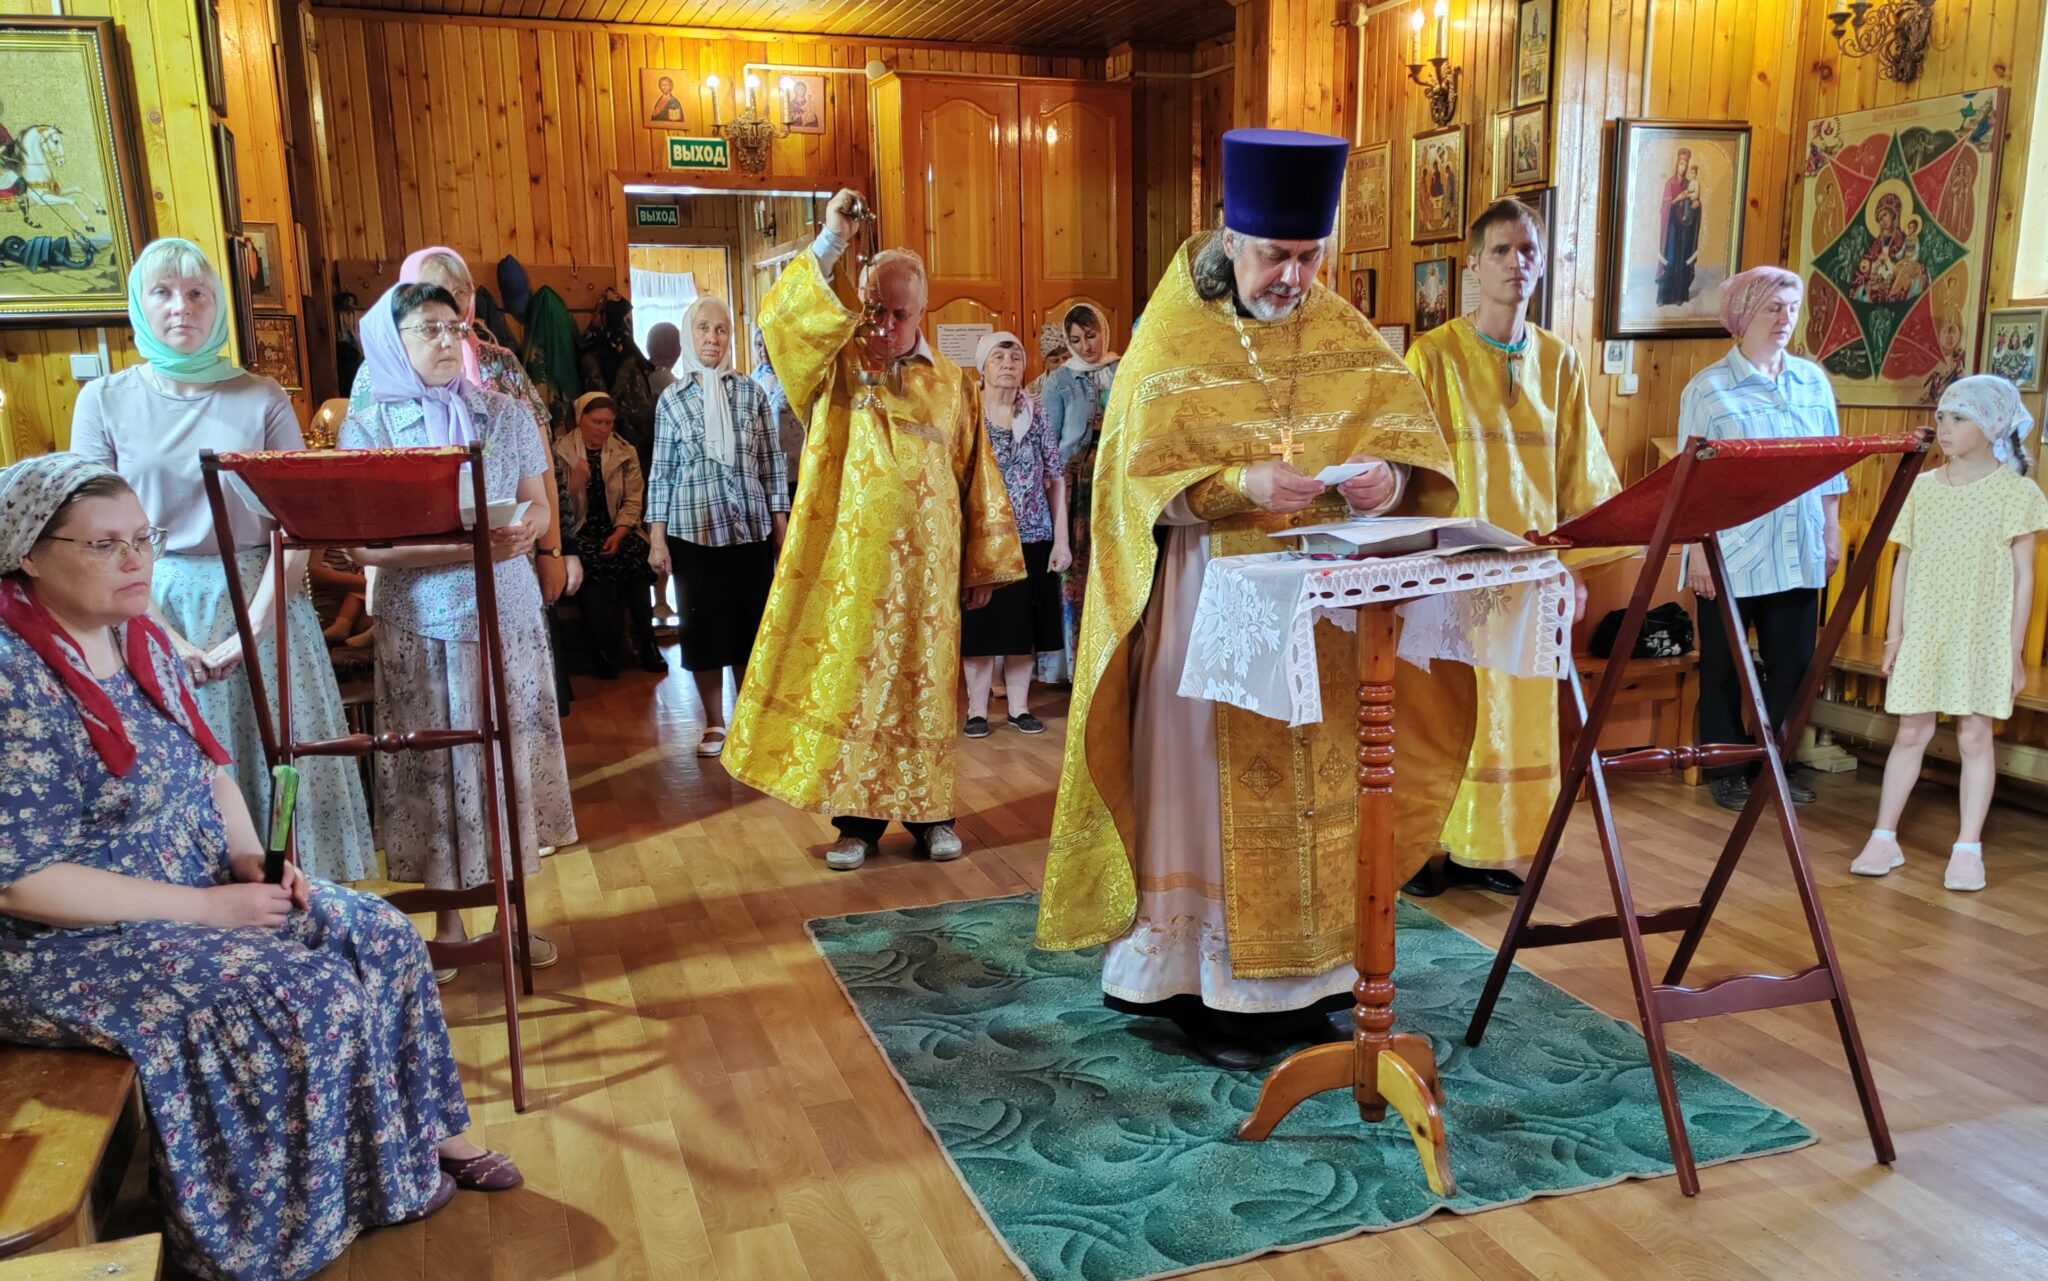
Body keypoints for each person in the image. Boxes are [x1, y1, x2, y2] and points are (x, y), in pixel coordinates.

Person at [0, 455, 521, 1281]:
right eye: (104, 544)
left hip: (196, 880)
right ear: (28, 553)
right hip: (71, 940)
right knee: (299, 993)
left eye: (142, 537)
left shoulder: (139, 635)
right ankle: (286, 1228)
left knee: (378, 933)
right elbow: (20, 879)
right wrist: (209, 910)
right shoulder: (12, 676)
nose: (135, 559)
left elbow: (211, 766)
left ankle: (421, 1139)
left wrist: (250, 856)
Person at [1033, 129, 1465, 1068]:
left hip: (1323, 615)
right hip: (1208, 601)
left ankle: (1314, 978)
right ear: (1231, 237)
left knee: (1326, 787)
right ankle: (1207, 987)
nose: (1295, 278)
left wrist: (1383, 483)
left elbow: (1413, 453)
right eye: (1277, 255)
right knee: (1206, 786)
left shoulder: (1339, 326)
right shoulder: (1171, 332)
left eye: (1311, 256)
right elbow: (1131, 487)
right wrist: (1237, 485)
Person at [723, 192, 1023, 871]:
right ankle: (856, 824)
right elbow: (782, 320)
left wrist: (981, 565)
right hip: (852, 570)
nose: (885, 324)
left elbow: (976, 474)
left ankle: (931, 817)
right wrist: (831, 239)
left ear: (924, 311)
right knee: (856, 689)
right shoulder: (834, 368)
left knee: (924, 691)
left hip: (928, 576)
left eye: (899, 313)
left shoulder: (955, 385)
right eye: (874, 309)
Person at [70, 237, 376, 884]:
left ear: (218, 306)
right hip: (149, 602)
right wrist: (163, 633)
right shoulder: (103, 399)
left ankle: (307, 913)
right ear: (139, 304)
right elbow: (93, 533)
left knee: (281, 763)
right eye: (162, 292)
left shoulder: (262, 396)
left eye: (196, 293)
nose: (181, 306)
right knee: (186, 773)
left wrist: (251, 631)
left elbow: (296, 528)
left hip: (264, 598)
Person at [340, 283, 577, 974]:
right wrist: (458, 547)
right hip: (420, 620)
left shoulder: (502, 411)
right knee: (436, 770)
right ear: (393, 341)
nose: (446, 340)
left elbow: (536, 504)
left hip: (506, 612)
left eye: (454, 327)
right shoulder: (372, 427)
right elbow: (362, 548)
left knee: (508, 762)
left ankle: (512, 917)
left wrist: (528, 530)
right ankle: (445, 921)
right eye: (427, 329)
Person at [1401, 198, 1623, 897]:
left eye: (1527, 250)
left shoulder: (1559, 362)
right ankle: (1424, 848)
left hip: (1530, 572)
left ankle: (1487, 847)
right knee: (1446, 708)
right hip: (1452, 569)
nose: (1516, 263)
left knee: (1516, 712)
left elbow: (1581, 475)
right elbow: (1409, 468)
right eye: (1501, 250)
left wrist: (1574, 569)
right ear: (1472, 266)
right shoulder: (1433, 356)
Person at [1852, 376, 2047, 892]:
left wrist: (2012, 651)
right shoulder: (1922, 488)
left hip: (1981, 635)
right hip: (1925, 631)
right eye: (1942, 416)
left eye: (1959, 418)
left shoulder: (2017, 493)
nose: (1945, 427)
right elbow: (1903, 563)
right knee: (1910, 732)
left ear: (1992, 426)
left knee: (1974, 736)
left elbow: (2024, 577)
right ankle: (1883, 837)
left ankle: (1967, 848)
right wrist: (1894, 635)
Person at [1680, 266, 1846, 814]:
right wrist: (1696, 550)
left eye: (1792, 309)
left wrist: (1832, 528)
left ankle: (1773, 762)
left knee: (1794, 664)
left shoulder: (1813, 382)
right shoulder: (1708, 389)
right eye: (1773, 308)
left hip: (1797, 546)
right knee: (1725, 667)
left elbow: (1829, 465)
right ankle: (1726, 767)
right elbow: (1689, 482)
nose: (1784, 319)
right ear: (1743, 315)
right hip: (1731, 551)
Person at [349, 247, 575, 609]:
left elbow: (539, 464)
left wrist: (553, 549)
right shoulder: (377, 379)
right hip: (416, 586)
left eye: (461, 291)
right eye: (438, 291)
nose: (453, 302)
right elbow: (367, 524)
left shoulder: (500, 363)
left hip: (506, 570)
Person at [645, 296, 789, 757]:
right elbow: (661, 473)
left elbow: (772, 464)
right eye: (703, 328)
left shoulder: (752, 393)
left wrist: (781, 527)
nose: (713, 338)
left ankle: (747, 720)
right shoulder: (672, 399)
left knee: (751, 628)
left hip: (749, 531)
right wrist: (656, 538)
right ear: (690, 336)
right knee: (704, 631)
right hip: (693, 533)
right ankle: (714, 723)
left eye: (722, 329)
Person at [961, 332, 1069, 738]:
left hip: (1033, 536)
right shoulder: (967, 412)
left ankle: (1019, 708)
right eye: (999, 357)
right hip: (983, 540)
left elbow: (1056, 478)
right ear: (982, 367)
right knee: (981, 628)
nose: (1008, 364)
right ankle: (976, 711)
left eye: (1015, 357)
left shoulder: (1036, 414)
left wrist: (1061, 540)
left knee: (1022, 628)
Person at [1040, 302, 1121, 683]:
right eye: (1075, 340)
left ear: (1103, 330)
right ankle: (1073, 665)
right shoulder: (1059, 380)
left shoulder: (1123, 370)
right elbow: (1050, 441)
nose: (1086, 346)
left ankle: (1115, 662)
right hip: (1076, 486)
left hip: (1115, 479)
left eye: (1091, 336)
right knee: (1075, 571)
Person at [556, 391, 663, 676]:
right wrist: (574, 485)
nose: (604, 429)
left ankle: (649, 645)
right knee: (589, 566)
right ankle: (600, 652)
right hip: (579, 532)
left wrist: (619, 533)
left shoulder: (624, 452)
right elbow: (557, 508)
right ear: (581, 419)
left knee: (635, 562)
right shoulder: (560, 452)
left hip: (618, 529)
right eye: (597, 422)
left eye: (609, 422)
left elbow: (633, 500)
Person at [750, 321, 806, 497]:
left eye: (769, 343)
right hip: (763, 463)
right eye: (759, 344)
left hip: (791, 463)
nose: (763, 350)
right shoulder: (753, 378)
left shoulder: (793, 375)